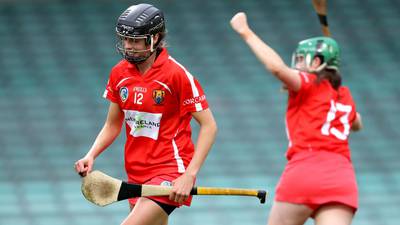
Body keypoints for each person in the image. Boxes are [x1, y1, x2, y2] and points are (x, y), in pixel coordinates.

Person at [74, 3, 217, 225]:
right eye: (125, 39)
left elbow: (209, 126)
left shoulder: (176, 75)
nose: (128, 46)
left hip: (170, 170)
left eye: (135, 40)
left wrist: (188, 175)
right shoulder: (119, 73)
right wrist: (91, 155)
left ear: (155, 38)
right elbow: (113, 124)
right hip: (136, 172)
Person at [230, 12, 363, 225]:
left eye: (301, 60)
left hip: (305, 171)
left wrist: (246, 32)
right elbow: (357, 124)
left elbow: (277, 68)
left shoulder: (308, 83)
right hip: (341, 178)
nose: (297, 65)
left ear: (317, 62)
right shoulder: (345, 95)